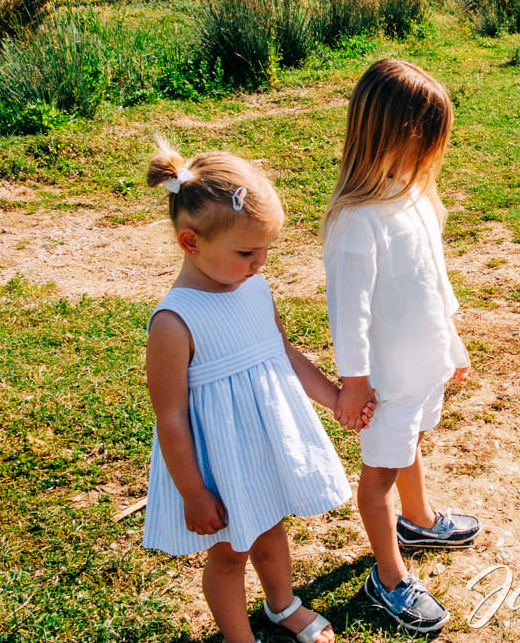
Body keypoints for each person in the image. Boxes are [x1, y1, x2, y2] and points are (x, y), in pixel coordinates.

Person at [143, 141, 371, 643]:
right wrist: (194, 493)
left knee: (271, 528)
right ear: (190, 242)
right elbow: (172, 418)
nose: (260, 263)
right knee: (229, 554)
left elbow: (282, 352)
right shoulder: (174, 321)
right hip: (218, 465)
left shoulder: (255, 289)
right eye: (247, 252)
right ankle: (237, 636)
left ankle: (281, 604)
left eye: (266, 250)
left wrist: (333, 397)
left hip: (263, 445)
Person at [323, 59, 480, 636]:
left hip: (423, 365)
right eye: (426, 143)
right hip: (386, 380)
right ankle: (387, 577)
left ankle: (418, 520)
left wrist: (453, 340)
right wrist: (356, 381)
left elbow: (435, 279)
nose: (432, 157)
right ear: (393, 137)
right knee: (378, 476)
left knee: (412, 442)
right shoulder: (356, 222)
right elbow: (350, 313)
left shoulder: (414, 198)